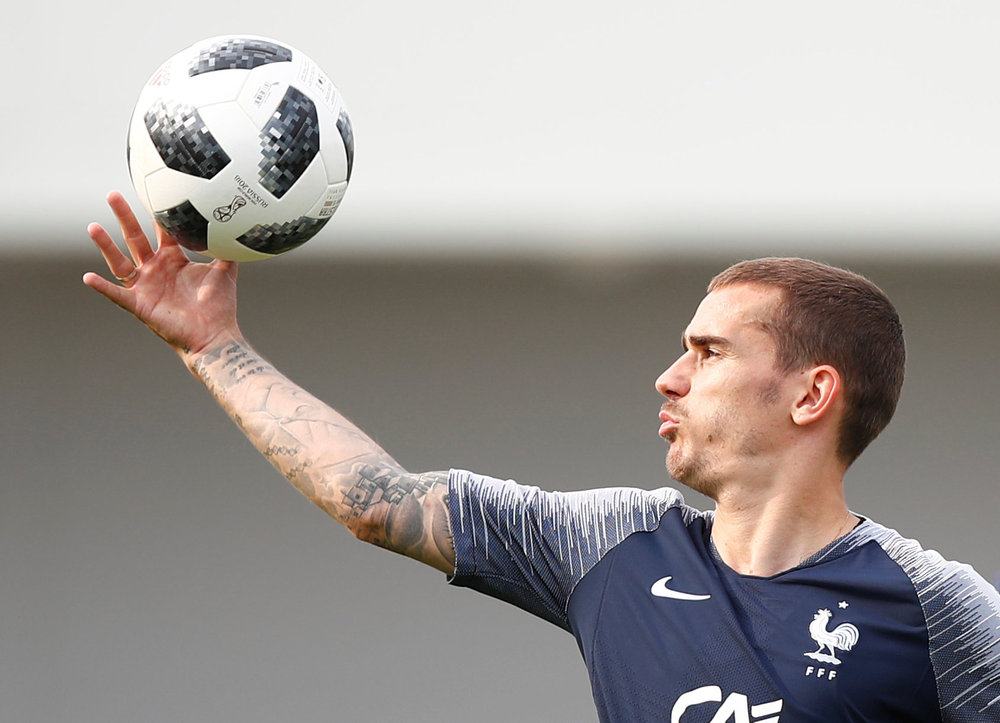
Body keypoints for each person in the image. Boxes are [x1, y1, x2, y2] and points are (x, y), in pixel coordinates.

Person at [84, 192, 1000, 722]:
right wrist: (213, 348)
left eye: (710, 352)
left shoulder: (936, 610)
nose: (669, 376)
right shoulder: (612, 543)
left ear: (811, 393)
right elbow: (377, 499)